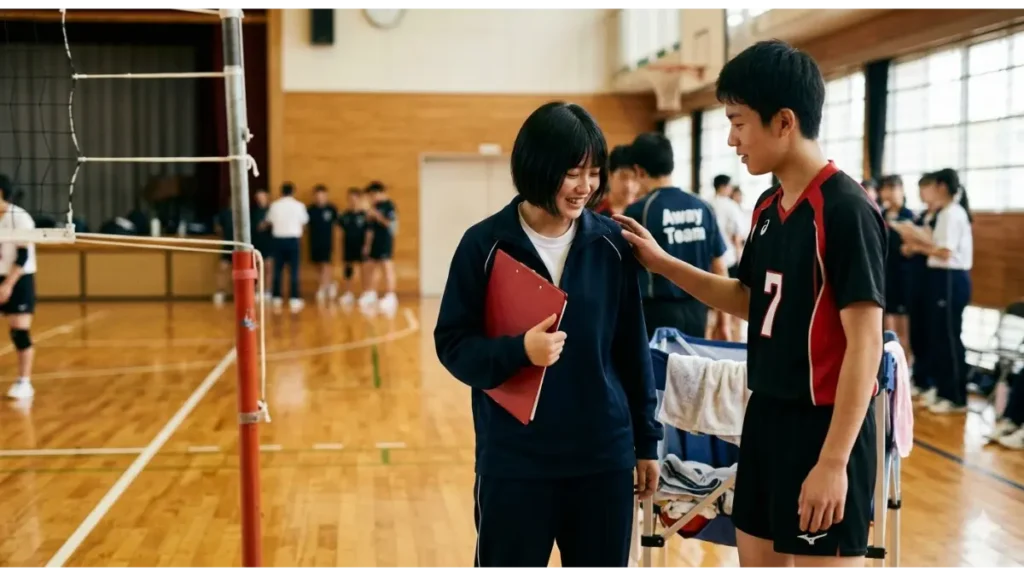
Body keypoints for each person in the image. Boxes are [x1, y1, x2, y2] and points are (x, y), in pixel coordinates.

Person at [614, 39, 887, 567]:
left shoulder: (845, 210)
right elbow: (747, 298)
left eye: (738, 122)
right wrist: (663, 263)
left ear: (784, 121)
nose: (731, 139)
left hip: (824, 428)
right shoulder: (766, 206)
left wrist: (833, 462)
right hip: (763, 417)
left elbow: (866, 345)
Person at [433, 101, 662, 569]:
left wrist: (646, 443)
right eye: (573, 173)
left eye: (594, 173)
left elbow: (632, 350)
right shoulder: (484, 244)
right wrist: (519, 351)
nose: (586, 187)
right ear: (537, 167)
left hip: (602, 458)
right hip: (516, 461)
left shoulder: (611, 245)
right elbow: (452, 343)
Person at [622, 132, 727, 340]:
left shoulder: (639, 211)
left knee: (660, 363)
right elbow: (719, 266)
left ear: (638, 170)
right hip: (698, 310)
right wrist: (724, 321)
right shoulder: (703, 206)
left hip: (656, 312)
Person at [893, 168, 973, 415]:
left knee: (948, 338)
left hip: (950, 277)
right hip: (939, 277)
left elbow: (945, 252)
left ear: (941, 187)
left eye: (927, 187)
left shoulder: (951, 213)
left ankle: (955, 396)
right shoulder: (942, 213)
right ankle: (941, 389)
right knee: (937, 336)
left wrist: (917, 247)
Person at [0, 173, 38, 400]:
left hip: (19, 277)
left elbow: (23, 256)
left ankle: (24, 382)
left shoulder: (20, 218)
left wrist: (8, 285)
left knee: (19, 331)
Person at [878, 175, 914, 359]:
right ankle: (888, 366)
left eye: (893, 188)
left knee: (902, 328)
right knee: (886, 326)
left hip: (903, 277)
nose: (889, 193)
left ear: (902, 190)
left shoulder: (909, 216)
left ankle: (905, 366)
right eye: (885, 188)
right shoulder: (880, 214)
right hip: (884, 276)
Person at [710, 173, 747, 341]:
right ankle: (733, 339)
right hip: (729, 259)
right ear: (725, 187)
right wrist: (741, 259)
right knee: (734, 305)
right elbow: (736, 237)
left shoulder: (707, 203)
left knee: (713, 305)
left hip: (710, 261)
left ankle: (712, 338)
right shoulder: (730, 206)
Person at [266, 181, 308, 313]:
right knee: (294, 269)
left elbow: (269, 222)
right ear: (293, 192)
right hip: (293, 240)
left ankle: (276, 297)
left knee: (277, 269)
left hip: (278, 240)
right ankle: (294, 298)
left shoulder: (274, 206)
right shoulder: (299, 206)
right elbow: (304, 223)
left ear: (281, 192)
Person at [358, 181, 398, 314]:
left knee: (387, 267)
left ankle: (391, 295)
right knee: (372, 267)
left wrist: (375, 214)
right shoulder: (374, 207)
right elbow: (370, 228)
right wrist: (367, 245)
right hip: (374, 241)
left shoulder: (389, 205)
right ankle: (371, 293)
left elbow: (388, 223)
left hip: (385, 240)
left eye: (372, 195)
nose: (371, 198)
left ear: (378, 193)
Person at [307, 184, 339, 304]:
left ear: (326, 195)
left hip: (327, 241)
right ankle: (330, 284)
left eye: (322, 195)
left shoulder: (332, 209)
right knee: (318, 265)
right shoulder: (310, 210)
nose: (319, 198)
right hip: (314, 241)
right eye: (317, 195)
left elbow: (337, 225)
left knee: (326, 264)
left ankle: (322, 288)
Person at [337, 186, 368, 306]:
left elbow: (369, 232)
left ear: (359, 199)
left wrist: (366, 245)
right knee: (348, 269)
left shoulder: (365, 215)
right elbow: (340, 231)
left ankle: (366, 293)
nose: (352, 201)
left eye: (354, 198)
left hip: (361, 245)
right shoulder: (344, 215)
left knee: (364, 269)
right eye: (350, 199)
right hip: (348, 245)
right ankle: (348, 293)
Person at [593, 145, 639, 217]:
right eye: (623, 177)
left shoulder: (644, 212)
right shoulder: (595, 212)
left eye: (634, 178)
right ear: (609, 175)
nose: (629, 185)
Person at [250, 188, 274, 300]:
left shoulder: (272, 210)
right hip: (257, 242)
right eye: (258, 198)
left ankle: (268, 291)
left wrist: (267, 225)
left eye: (262, 197)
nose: (260, 199)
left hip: (269, 242)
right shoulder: (253, 211)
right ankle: (258, 290)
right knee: (258, 267)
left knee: (269, 267)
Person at [212, 203, 234, 306]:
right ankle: (220, 292)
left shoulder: (246, 213)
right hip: (228, 245)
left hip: (242, 246)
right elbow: (218, 228)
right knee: (222, 268)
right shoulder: (225, 214)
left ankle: (245, 293)